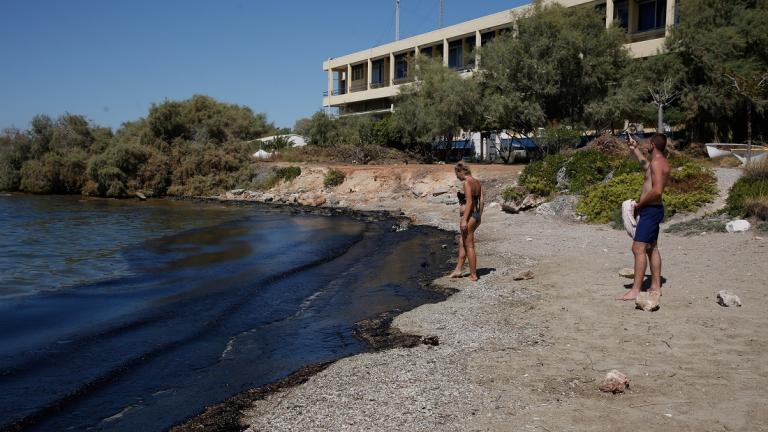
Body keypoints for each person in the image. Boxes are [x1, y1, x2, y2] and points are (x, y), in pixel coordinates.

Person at [619, 133, 670, 300]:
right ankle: (655, 285)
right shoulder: (658, 162)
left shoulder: (658, 163)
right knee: (651, 248)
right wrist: (634, 149)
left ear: (653, 144)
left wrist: (639, 206)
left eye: (648, 143)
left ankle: (636, 290)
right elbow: (645, 166)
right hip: (653, 210)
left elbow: (656, 191)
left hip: (650, 211)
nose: (646, 145)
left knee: (638, 248)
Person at [449, 162, 484, 281]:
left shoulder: (466, 182)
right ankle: (458, 270)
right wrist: (479, 216)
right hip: (476, 215)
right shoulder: (477, 182)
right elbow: (482, 200)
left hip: (469, 217)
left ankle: (473, 275)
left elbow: (469, 202)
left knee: (469, 245)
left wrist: (464, 219)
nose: (456, 177)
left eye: (456, 174)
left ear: (460, 171)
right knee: (462, 243)